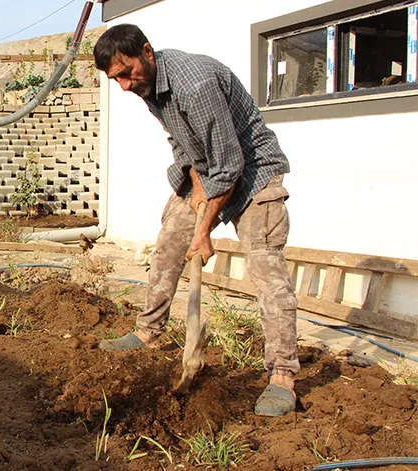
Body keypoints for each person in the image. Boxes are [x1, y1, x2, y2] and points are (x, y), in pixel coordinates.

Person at [93, 24, 299, 417]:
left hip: (254, 175)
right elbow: (181, 143)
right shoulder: (149, 86)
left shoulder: (194, 85)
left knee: (266, 271)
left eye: (125, 72)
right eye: (114, 78)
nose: (122, 85)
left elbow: (232, 164)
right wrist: (195, 186)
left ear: (147, 52)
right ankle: (148, 331)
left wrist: (204, 231)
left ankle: (283, 377)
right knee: (169, 243)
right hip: (208, 172)